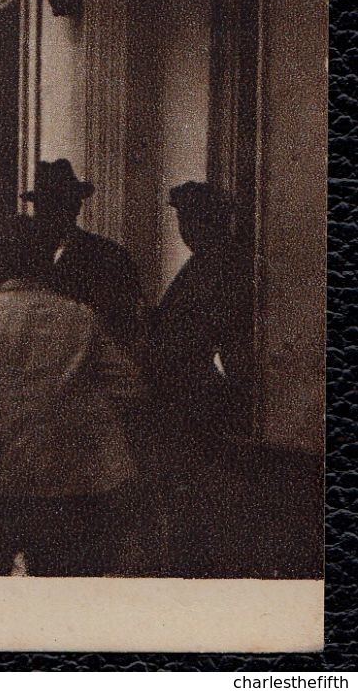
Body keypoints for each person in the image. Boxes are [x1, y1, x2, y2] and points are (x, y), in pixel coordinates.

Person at [0, 215, 143, 576]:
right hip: (68, 486)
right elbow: (129, 387)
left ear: (1, 261)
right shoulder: (80, 317)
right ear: (47, 262)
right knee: (61, 606)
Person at [147, 181, 253, 577]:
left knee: (200, 506)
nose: (184, 227)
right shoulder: (205, 261)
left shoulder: (219, 263)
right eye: (181, 217)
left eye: (191, 217)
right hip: (191, 398)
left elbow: (216, 337)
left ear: (213, 220)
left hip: (199, 401)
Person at [26, 159, 143, 355]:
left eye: (59, 203)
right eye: (43, 204)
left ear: (76, 206)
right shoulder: (24, 258)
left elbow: (123, 328)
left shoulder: (108, 256)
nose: (47, 213)